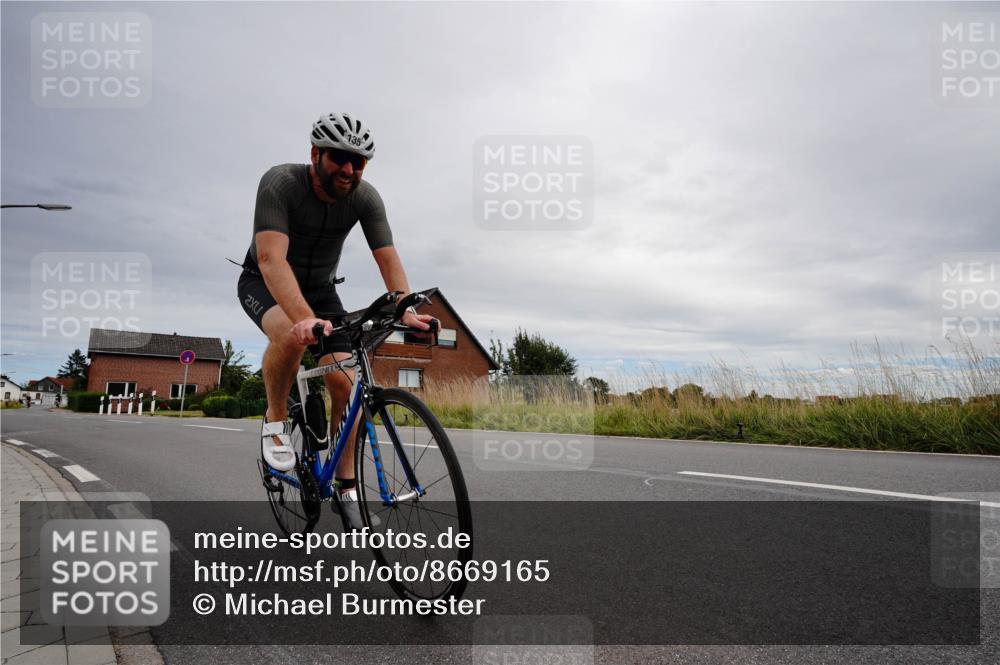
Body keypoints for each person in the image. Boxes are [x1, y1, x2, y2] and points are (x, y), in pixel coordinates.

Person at [237, 112, 434, 528]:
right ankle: (275, 423)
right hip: (264, 283)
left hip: (323, 289)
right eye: (339, 158)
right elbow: (272, 260)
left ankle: (346, 487)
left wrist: (405, 309)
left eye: (358, 162)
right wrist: (304, 320)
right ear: (316, 154)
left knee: (345, 384)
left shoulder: (365, 198)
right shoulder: (281, 183)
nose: (348, 169)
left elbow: (388, 257)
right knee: (292, 338)